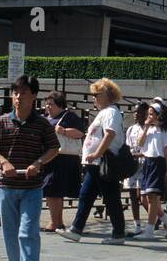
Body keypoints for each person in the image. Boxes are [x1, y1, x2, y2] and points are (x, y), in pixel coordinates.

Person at [0, 76, 59, 261]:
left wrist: (38, 163)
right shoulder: (2, 121)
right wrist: (2, 161)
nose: (18, 97)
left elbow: (54, 148)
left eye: (23, 92)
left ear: (33, 96)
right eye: (15, 93)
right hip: (6, 186)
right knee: (9, 231)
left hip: (32, 187)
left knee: (28, 230)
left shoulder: (42, 124)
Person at [60, 78, 126, 245]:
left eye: (96, 95)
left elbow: (110, 134)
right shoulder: (106, 112)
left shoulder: (111, 112)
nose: (93, 98)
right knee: (87, 195)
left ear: (106, 95)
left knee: (110, 197)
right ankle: (76, 229)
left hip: (103, 162)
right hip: (96, 163)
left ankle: (118, 233)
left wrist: (96, 153)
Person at [41, 91, 85, 233]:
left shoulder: (68, 116)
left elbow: (80, 133)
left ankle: (55, 222)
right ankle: (58, 221)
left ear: (60, 105)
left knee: (53, 189)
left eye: (51, 104)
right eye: (46, 104)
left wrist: (63, 131)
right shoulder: (44, 118)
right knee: (53, 190)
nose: (48, 106)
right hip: (50, 157)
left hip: (64, 158)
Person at [134, 102, 167, 240]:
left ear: (158, 115)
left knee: (152, 198)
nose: (149, 116)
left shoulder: (165, 131)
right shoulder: (148, 129)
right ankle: (166, 219)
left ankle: (149, 230)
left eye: (152, 114)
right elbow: (139, 144)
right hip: (146, 163)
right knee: (144, 197)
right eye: (148, 114)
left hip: (158, 163)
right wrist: (145, 127)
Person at [124, 102, 149, 235]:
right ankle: (137, 225)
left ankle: (156, 217)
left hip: (143, 164)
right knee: (133, 195)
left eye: (138, 112)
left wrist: (136, 154)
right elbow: (128, 147)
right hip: (133, 165)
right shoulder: (131, 129)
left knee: (142, 196)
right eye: (134, 112)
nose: (136, 114)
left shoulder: (148, 129)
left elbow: (149, 150)